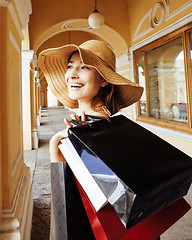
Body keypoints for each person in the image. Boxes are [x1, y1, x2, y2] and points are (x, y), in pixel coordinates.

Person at [38, 40, 146, 239]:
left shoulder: (92, 132)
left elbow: (68, 203)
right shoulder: (111, 124)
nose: (72, 74)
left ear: (104, 80)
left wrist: (55, 146)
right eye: (70, 66)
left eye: (84, 66)